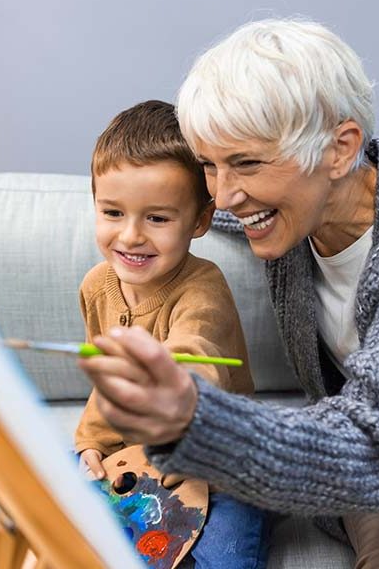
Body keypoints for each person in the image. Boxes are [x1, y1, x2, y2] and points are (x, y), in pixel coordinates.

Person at [78, 20, 379, 569]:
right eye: (210, 165)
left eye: (246, 163)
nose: (226, 195)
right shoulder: (288, 208)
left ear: (340, 149)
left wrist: (197, 418)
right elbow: (205, 206)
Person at [74, 100, 269, 569]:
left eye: (157, 219)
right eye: (113, 213)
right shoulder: (95, 286)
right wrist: (91, 444)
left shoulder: (203, 288)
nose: (131, 236)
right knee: (51, 492)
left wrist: (163, 375)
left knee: (225, 555)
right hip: (134, 457)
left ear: (199, 221)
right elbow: (107, 386)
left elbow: (193, 356)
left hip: (217, 461)